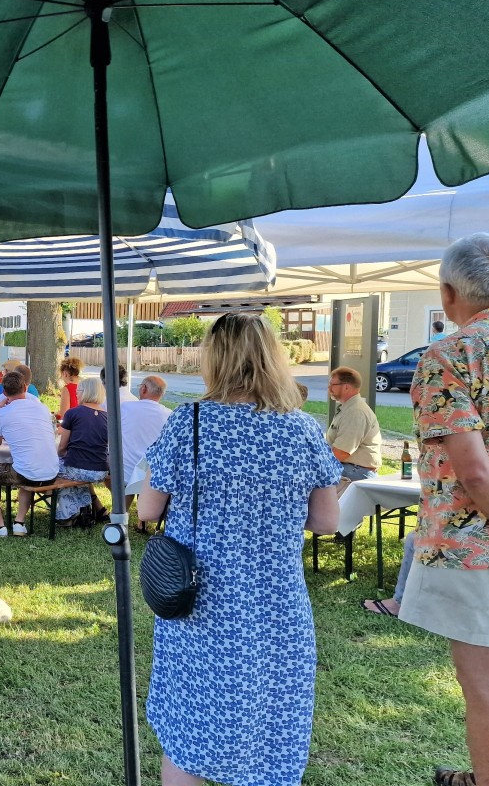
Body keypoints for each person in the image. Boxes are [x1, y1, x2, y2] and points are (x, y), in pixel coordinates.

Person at [138, 312, 340, 786]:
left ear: (215, 360)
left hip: (200, 604)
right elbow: (327, 521)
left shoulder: (188, 423)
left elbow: (148, 510)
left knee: (188, 731)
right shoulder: (303, 430)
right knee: (271, 734)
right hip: (276, 608)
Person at [399, 233, 489, 786]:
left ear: (447, 292)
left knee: (487, 683)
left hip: (479, 545)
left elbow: (476, 472)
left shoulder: (452, 353)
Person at [0, 371, 58, 536]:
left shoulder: (2, 413)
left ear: (4, 393)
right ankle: (19, 523)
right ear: (25, 387)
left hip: (27, 472)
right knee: (25, 465)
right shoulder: (43, 408)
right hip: (52, 471)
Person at [54, 376, 108, 525]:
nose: (76, 394)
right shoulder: (107, 416)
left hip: (79, 467)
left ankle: (67, 515)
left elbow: (62, 447)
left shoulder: (73, 413)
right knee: (76, 475)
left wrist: (61, 455)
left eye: (78, 391)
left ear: (86, 392)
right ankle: (84, 510)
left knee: (51, 467)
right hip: (101, 470)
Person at [325, 366, 382, 495]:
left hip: (357, 473)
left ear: (346, 387)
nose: (329, 388)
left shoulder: (355, 412)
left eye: (332, 385)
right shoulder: (348, 408)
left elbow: (341, 453)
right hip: (349, 469)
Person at [119, 375, 172, 486]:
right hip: (152, 472)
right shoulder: (169, 414)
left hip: (126, 471)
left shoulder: (125, 408)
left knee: (123, 500)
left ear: (143, 388)